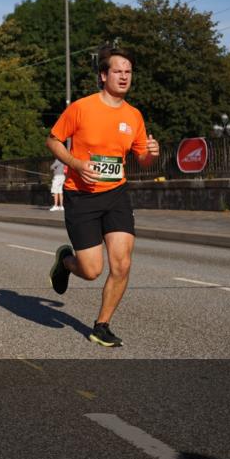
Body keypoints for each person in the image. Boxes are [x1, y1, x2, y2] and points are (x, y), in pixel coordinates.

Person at [46, 46, 159, 348]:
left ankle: (102, 325)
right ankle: (65, 261)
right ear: (103, 75)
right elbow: (53, 140)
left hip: (116, 194)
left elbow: (141, 159)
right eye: (118, 71)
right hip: (80, 196)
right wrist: (76, 164)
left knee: (121, 264)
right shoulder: (82, 107)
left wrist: (151, 155)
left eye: (128, 72)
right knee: (92, 270)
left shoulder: (134, 116)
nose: (124, 76)